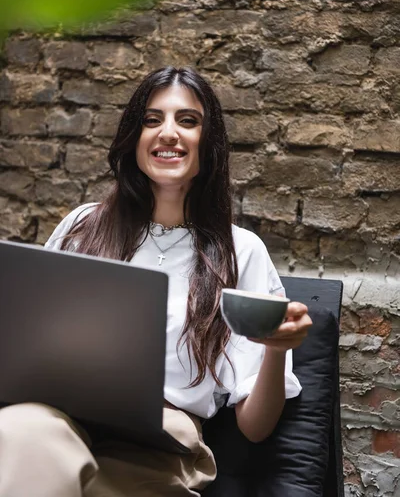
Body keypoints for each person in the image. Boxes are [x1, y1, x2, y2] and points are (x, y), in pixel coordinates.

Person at [0, 66, 312, 497]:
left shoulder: (242, 251)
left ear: (210, 143)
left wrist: (276, 350)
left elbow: (255, 428)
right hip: (57, 420)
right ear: (134, 139)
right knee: (22, 432)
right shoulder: (83, 225)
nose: (168, 133)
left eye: (187, 120)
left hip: (159, 444)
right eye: (152, 120)